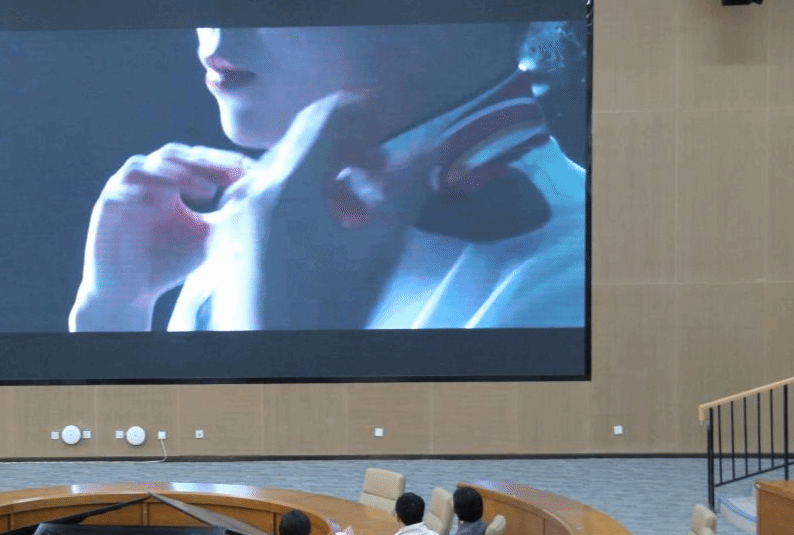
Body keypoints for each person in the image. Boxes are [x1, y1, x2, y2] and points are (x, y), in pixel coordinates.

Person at [70, 22, 585, 332]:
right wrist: (115, 314)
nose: (215, 21)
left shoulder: (576, 283)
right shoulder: (259, 223)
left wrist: (278, 348)